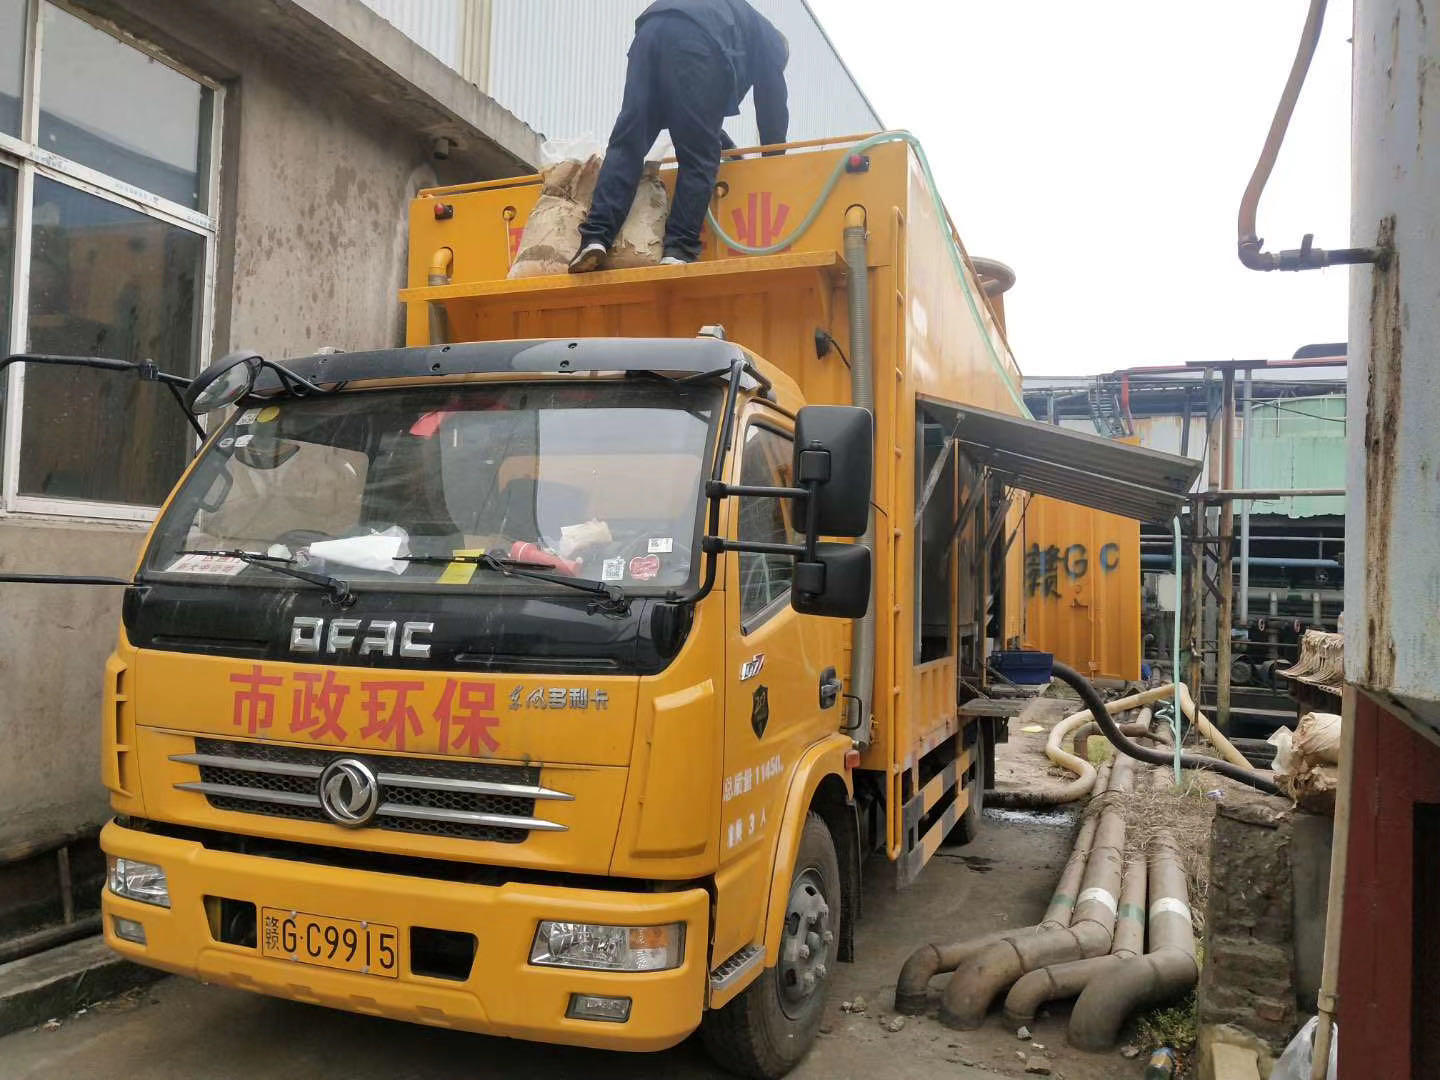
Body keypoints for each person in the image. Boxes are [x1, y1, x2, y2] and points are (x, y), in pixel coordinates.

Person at [570, 0, 789, 273]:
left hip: (649, 33)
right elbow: (772, 105)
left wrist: (721, 140)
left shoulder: (734, 19)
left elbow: (687, 115)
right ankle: (678, 250)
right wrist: (774, 160)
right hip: (695, 40)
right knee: (699, 158)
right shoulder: (771, 41)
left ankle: (595, 237)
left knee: (628, 144)